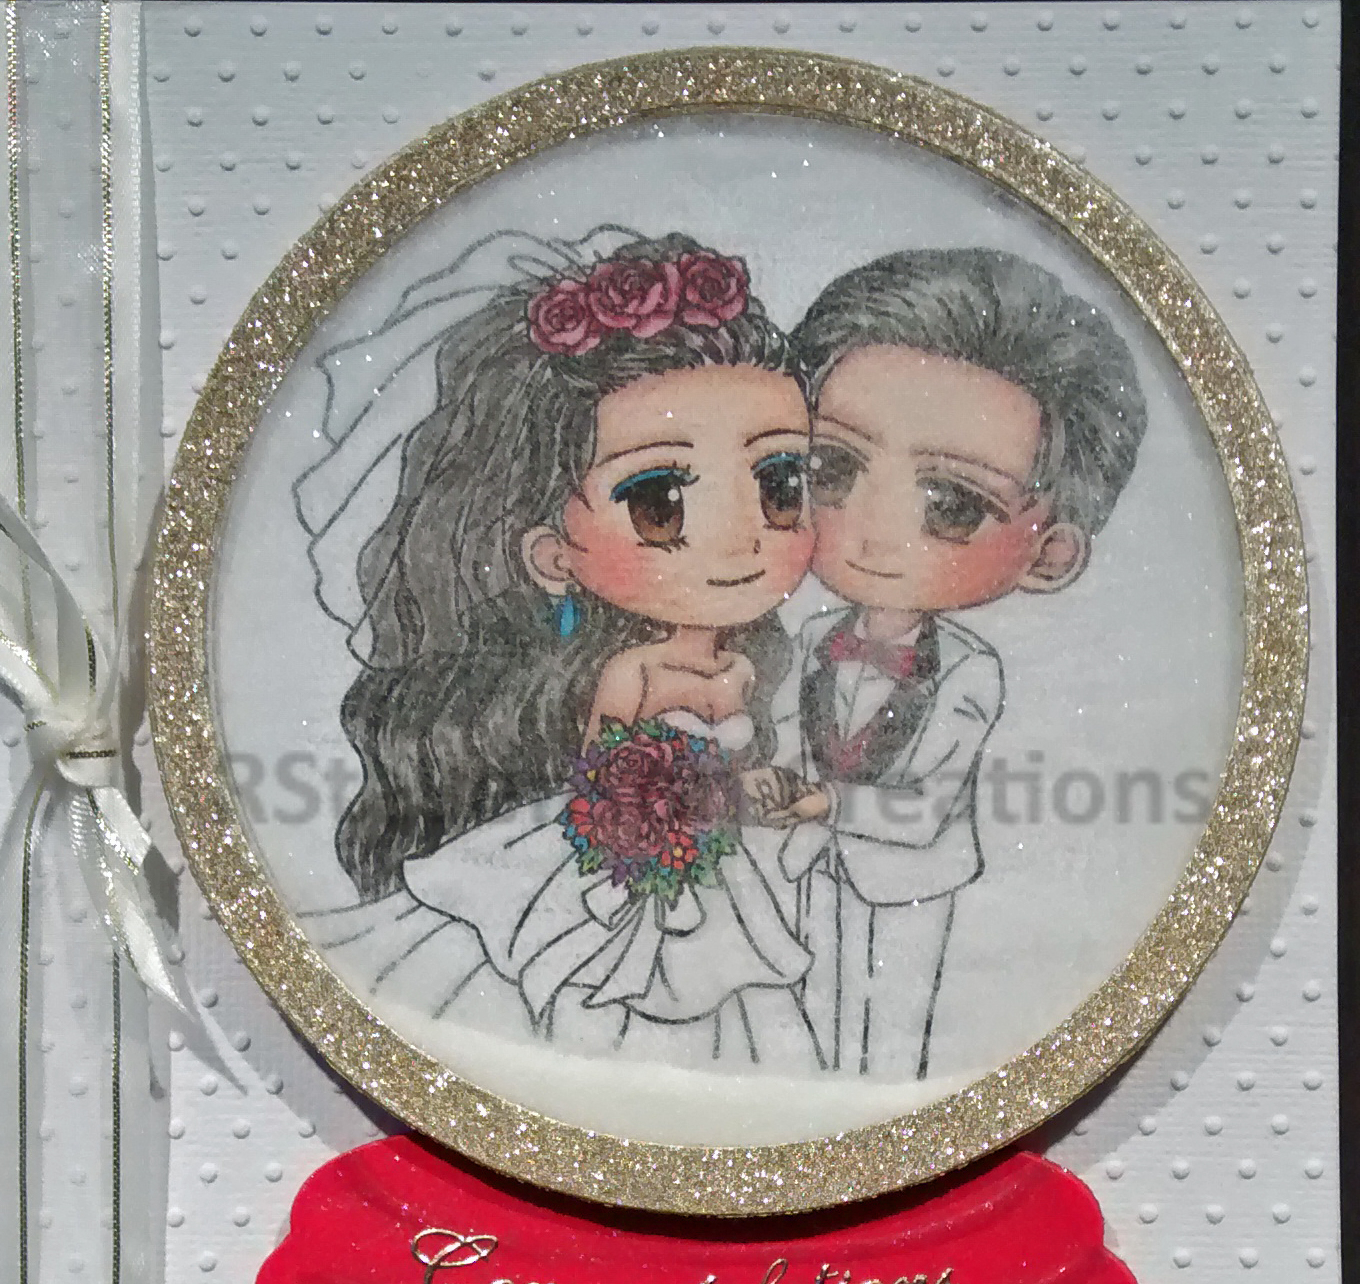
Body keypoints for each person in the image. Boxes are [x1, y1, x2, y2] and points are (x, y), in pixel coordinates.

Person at [296, 227, 826, 1074]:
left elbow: (742, 771)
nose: (740, 538)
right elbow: (604, 781)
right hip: (615, 874)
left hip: (713, 872)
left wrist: (763, 798)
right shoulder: (633, 673)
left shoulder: (747, 670)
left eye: (779, 485)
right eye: (660, 505)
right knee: (598, 1008)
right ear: (552, 557)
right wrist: (673, 815)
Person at [743, 248, 1149, 1080]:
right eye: (832, 468)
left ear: (1049, 555)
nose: (874, 528)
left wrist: (826, 803)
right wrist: (768, 783)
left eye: (953, 506)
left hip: (909, 879)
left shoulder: (968, 672)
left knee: (891, 1040)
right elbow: (782, 734)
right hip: (803, 865)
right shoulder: (813, 639)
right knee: (801, 1020)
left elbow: (927, 804)